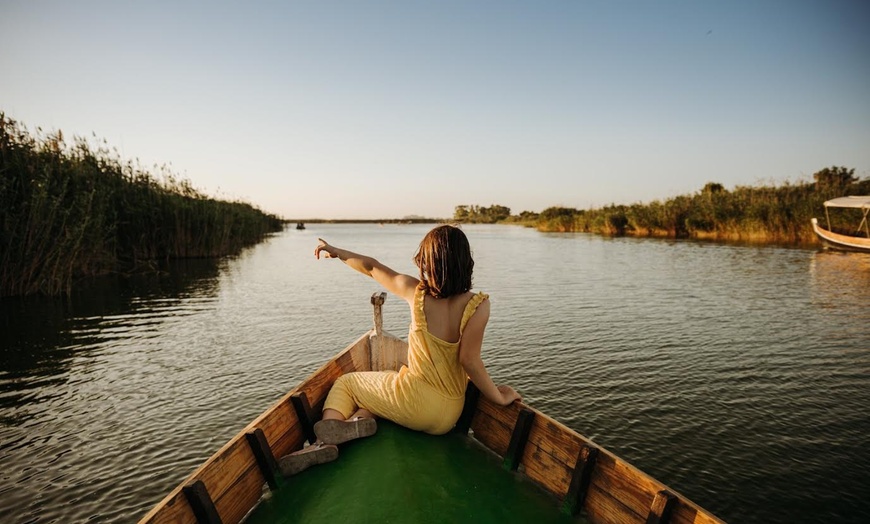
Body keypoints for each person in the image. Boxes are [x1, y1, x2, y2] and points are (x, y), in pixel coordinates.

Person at [279, 225, 521, 476]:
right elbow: (469, 360)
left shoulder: (416, 293)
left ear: (427, 262)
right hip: (450, 415)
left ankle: (323, 442)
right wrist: (499, 397)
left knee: (347, 383)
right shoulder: (479, 305)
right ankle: (358, 421)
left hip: (415, 405)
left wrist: (337, 251)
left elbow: (371, 267)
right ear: (465, 261)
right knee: (386, 381)